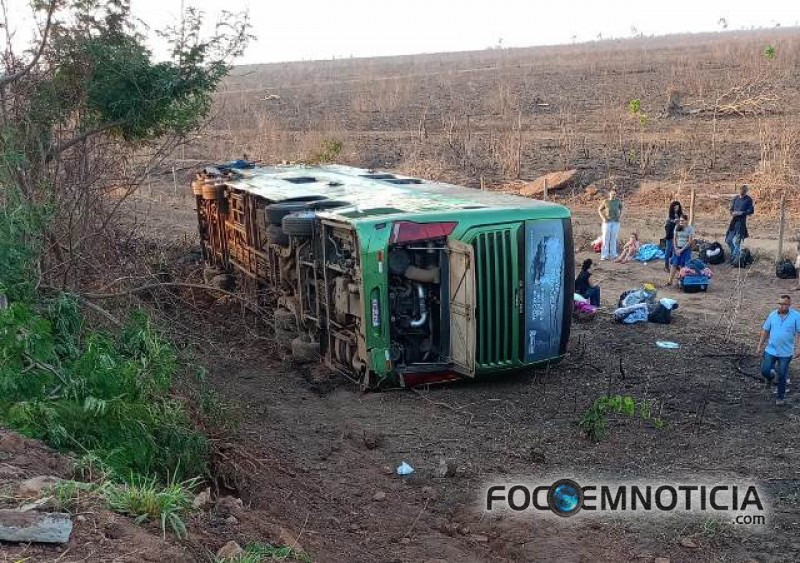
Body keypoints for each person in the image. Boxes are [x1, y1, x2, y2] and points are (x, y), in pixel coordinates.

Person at [756, 294, 800, 405]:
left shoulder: (796, 316)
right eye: (780, 304)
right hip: (771, 350)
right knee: (765, 370)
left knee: (782, 374)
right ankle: (770, 377)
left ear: (789, 305)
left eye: (784, 304)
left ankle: (780, 397)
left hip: (786, 353)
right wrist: (760, 345)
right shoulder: (772, 315)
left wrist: (799, 348)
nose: (782, 306)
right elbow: (765, 330)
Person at [725, 184, 754, 264]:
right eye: (740, 190)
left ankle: (735, 258)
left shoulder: (748, 200)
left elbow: (751, 211)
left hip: (741, 223)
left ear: (745, 192)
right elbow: (731, 209)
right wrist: (733, 213)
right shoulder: (735, 198)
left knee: (737, 242)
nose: (741, 192)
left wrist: (742, 213)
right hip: (734, 222)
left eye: (743, 191)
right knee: (728, 240)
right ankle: (734, 255)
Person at [665, 215, 694, 286]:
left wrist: (681, 250)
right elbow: (674, 239)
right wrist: (676, 249)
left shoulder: (690, 228)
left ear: (686, 221)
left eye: (682, 221)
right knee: (674, 264)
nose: (681, 222)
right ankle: (670, 281)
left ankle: (681, 282)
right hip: (677, 247)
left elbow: (690, 241)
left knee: (683, 265)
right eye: (680, 220)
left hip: (686, 249)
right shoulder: (677, 227)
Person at [598, 189, 622, 261]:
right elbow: (600, 209)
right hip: (607, 222)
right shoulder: (606, 201)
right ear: (609, 194)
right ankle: (604, 255)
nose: (613, 195)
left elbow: (622, 209)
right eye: (612, 194)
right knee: (606, 238)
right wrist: (603, 218)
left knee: (613, 238)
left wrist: (620, 216)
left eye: (615, 194)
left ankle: (613, 254)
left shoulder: (618, 201)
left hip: (615, 222)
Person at [663, 201, 683, 272]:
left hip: (678, 235)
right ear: (672, 208)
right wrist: (673, 221)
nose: (676, 209)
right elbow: (666, 224)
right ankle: (666, 266)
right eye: (675, 207)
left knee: (676, 250)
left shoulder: (680, 215)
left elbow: (683, 223)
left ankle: (675, 264)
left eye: (677, 207)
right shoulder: (669, 216)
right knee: (668, 250)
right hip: (670, 235)